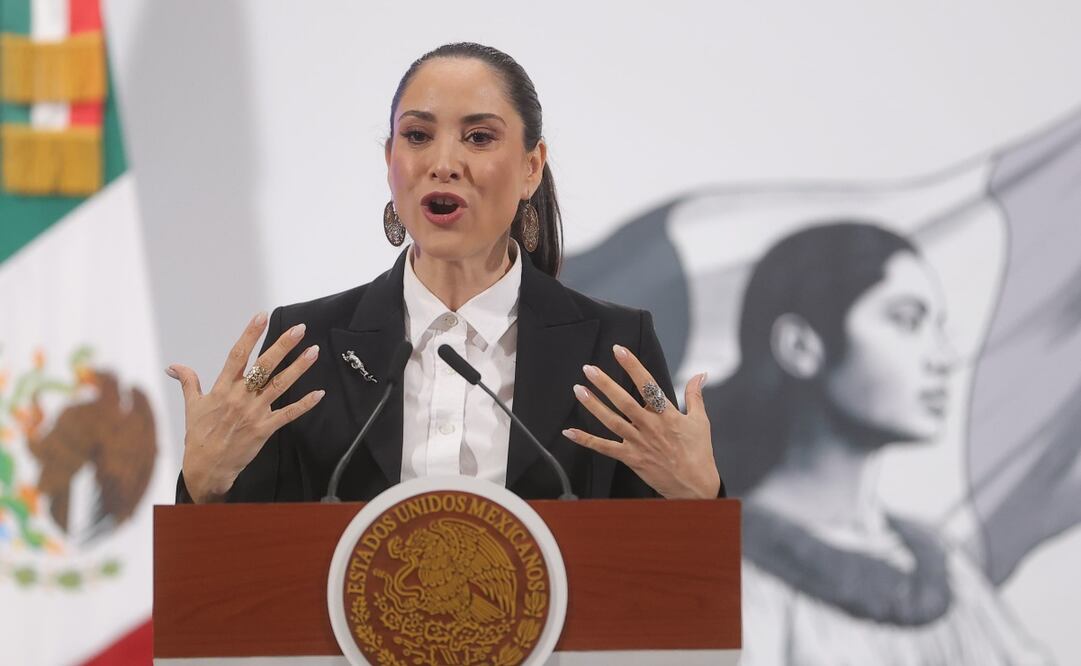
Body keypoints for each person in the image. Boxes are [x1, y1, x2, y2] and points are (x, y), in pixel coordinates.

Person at [167, 43, 722, 504]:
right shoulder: (306, 347)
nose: (443, 162)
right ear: (391, 161)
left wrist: (702, 498)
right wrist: (203, 486)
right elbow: (238, 582)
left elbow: (668, 578)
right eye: (417, 136)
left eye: (478, 137)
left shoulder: (612, 350)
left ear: (531, 167)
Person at [708, 222, 1050, 665]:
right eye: (907, 321)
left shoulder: (944, 567)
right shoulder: (716, 572)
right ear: (800, 346)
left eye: (938, 327)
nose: (943, 358)